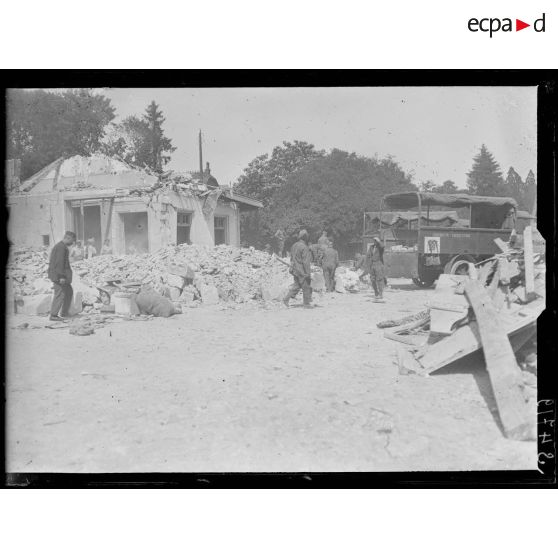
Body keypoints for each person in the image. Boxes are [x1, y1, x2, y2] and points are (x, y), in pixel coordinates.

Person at [48, 231, 76, 321]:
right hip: (59, 276)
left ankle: (64, 312)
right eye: (72, 240)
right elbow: (59, 263)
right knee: (60, 293)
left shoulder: (62, 247)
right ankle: (53, 315)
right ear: (68, 238)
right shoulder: (61, 247)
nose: (73, 243)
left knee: (69, 291)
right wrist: (61, 276)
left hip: (62, 276)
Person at [283, 229, 313, 308]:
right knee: (306, 286)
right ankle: (306, 304)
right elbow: (306, 262)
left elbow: (291, 257)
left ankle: (286, 299)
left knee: (297, 285)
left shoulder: (294, 245)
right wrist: (308, 273)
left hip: (294, 269)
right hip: (301, 270)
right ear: (305, 237)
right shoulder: (304, 247)